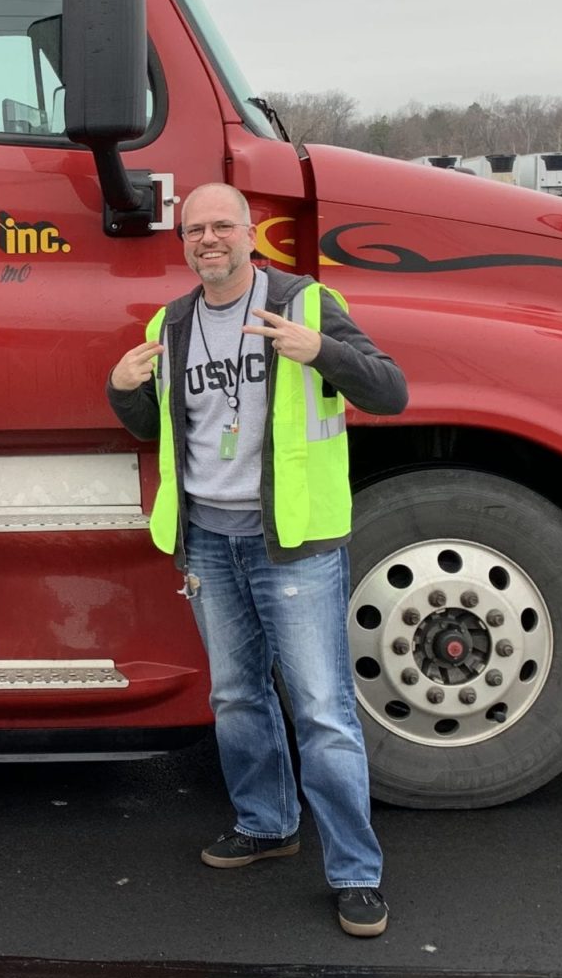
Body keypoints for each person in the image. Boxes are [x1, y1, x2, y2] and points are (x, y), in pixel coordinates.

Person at [106, 182, 407, 937]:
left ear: (251, 234)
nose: (208, 239)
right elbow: (158, 426)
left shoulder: (306, 305)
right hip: (208, 538)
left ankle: (355, 872)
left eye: (221, 227)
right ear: (183, 243)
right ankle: (267, 824)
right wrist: (122, 391)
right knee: (238, 698)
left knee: (322, 712)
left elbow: (391, 392)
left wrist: (324, 352)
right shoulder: (170, 323)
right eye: (194, 230)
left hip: (292, 544)